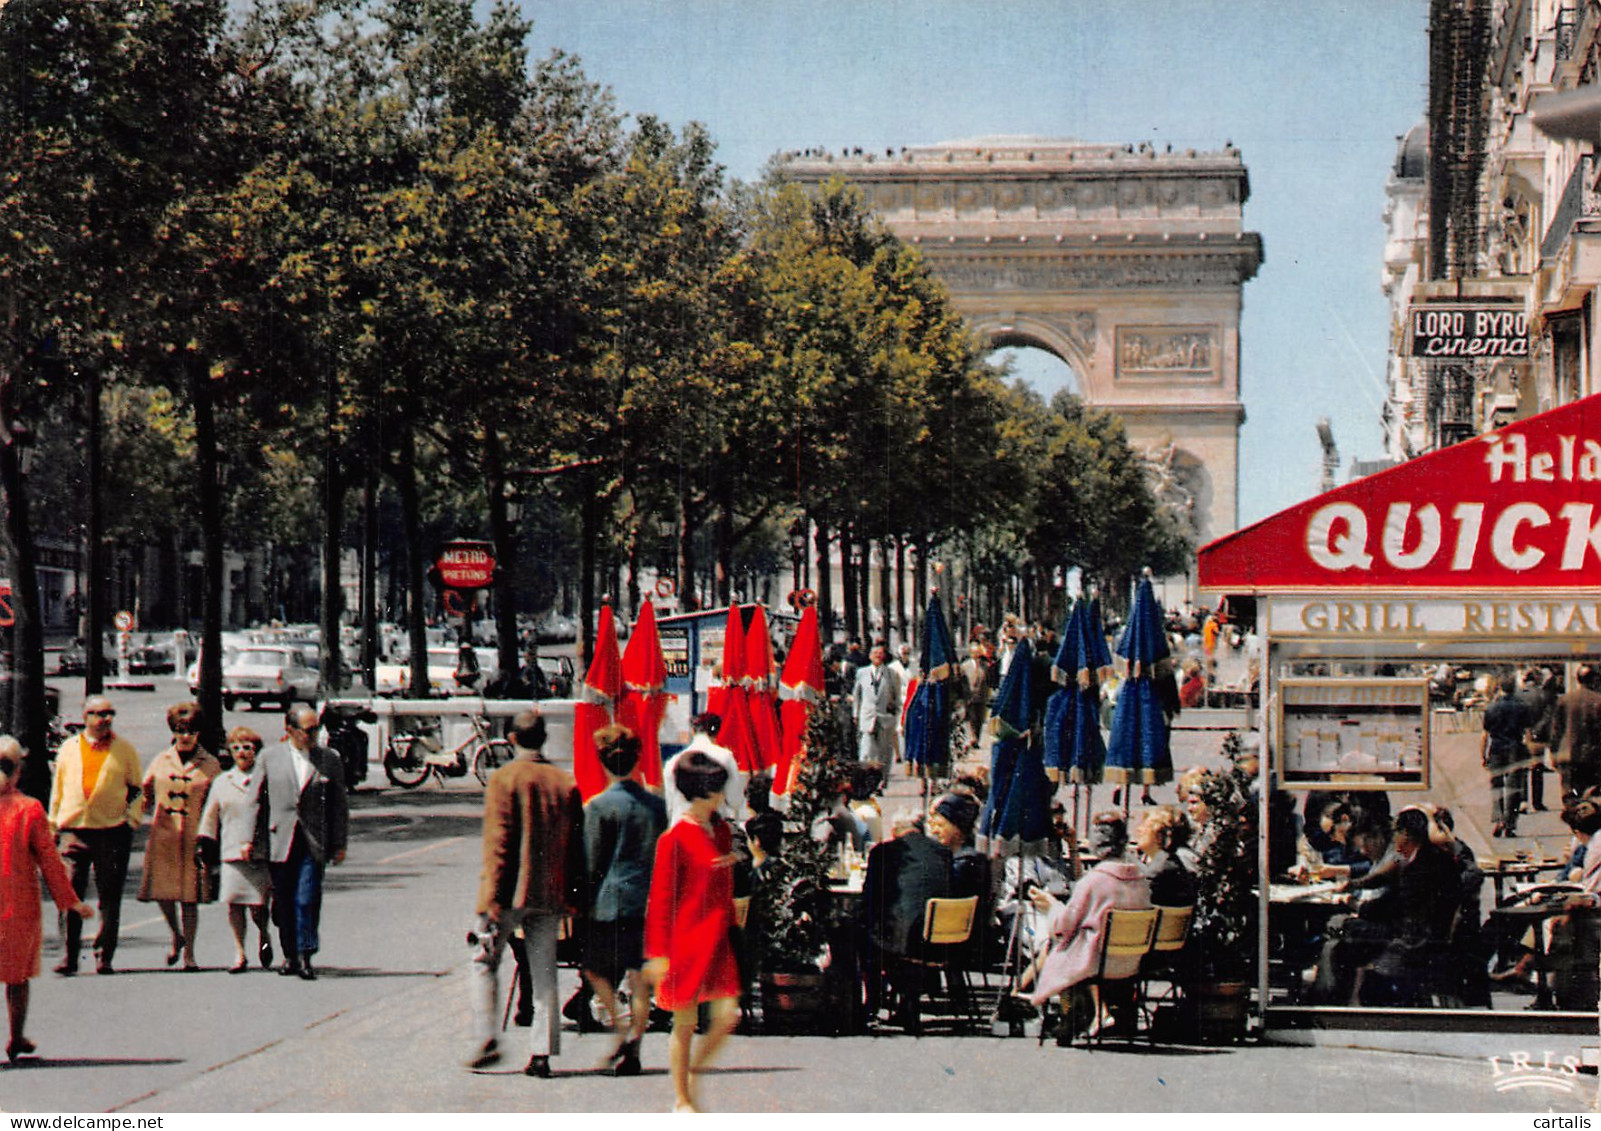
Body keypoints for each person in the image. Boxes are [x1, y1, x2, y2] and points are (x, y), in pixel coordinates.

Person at [466, 709, 584, 1077]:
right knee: (544, 971)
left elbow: (499, 845)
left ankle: (486, 1037)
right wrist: (574, 896)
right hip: (550, 894)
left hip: (509, 894)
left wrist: (492, 899)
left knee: (484, 962)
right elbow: (577, 846)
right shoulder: (565, 782)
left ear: (512, 739)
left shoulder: (504, 779)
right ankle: (541, 1054)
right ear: (543, 739)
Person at [644, 751, 743, 1113]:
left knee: (727, 1016)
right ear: (702, 792)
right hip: (684, 943)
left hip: (717, 939)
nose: (721, 796)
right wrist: (658, 953)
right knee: (683, 1025)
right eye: (716, 790)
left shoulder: (719, 830)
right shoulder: (675, 838)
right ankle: (682, 1098)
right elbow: (660, 900)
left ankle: (692, 1076)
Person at [0, 736, 96, 1063]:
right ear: (18, 771)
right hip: (17, 907)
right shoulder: (29, 808)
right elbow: (51, 862)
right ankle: (16, 1037)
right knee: (17, 976)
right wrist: (70, 902)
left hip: (15, 905)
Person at [582, 725, 666, 1078]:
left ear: (602, 761)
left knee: (596, 972)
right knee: (639, 980)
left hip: (609, 902)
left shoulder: (599, 807)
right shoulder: (656, 806)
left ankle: (621, 1031)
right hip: (648, 903)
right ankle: (634, 1046)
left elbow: (592, 860)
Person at [1025, 811, 1152, 1035]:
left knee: (1062, 947)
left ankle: (1069, 1016)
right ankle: (1094, 1013)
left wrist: (1051, 907)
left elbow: (1064, 925)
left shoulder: (1093, 882)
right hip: (1133, 960)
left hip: (1098, 962)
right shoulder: (1141, 879)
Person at [49, 696, 142, 975]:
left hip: (111, 832)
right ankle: (69, 955)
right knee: (70, 895)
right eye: (98, 714)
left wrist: (132, 819)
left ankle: (104, 955)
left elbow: (137, 790)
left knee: (109, 897)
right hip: (74, 831)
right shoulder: (68, 749)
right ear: (85, 716)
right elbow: (59, 790)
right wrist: (53, 825)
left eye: (109, 713)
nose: (105, 719)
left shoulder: (123, 750)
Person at [257, 704, 349, 981]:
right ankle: (290, 955)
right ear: (290, 730)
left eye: (316, 729)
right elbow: (256, 803)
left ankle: (306, 955)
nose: (313, 735)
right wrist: (252, 842)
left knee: (307, 899)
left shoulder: (328, 759)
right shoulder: (270, 757)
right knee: (284, 900)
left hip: (312, 841)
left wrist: (339, 843)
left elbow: (339, 805)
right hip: (280, 838)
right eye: (307, 730)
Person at [137, 701, 222, 971]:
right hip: (164, 836)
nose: (186, 736)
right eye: (180, 730)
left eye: (192, 731)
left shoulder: (210, 764)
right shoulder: (160, 761)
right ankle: (176, 934)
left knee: (189, 897)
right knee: (162, 893)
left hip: (194, 839)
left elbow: (218, 802)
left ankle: (190, 954)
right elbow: (144, 796)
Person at [198, 727, 274, 974]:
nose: (242, 752)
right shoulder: (222, 782)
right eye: (237, 747)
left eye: (248, 748)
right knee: (233, 903)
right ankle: (239, 952)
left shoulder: (265, 780)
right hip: (230, 849)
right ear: (230, 751)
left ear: (256, 751)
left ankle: (263, 934)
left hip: (259, 852)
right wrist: (204, 842)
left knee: (258, 904)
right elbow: (210, 815)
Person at [663, 713, 746, 826]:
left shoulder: (673, 762)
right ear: (717, 732)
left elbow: (670, 808)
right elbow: (735, 801)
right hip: (711, 828)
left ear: (693, 731)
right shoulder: (725, 757)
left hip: (679, 827)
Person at [1481, 674, 1531, 837]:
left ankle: (1498, 819)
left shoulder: (1491, 708)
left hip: (1496, 748)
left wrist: (1483, 754)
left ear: (1500, 688)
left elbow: (1485, 734)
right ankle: (1510, 824)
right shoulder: (1522, 707)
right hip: (1515, 748)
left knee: (1497, 786)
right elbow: (1528, 732)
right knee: (1513, 787)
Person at [1552, 664, 1601, 798]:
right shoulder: (1597, 701)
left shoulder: (1564, 700)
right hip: (1590, 755)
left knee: (1569, 794)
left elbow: (1556, 730)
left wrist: (1554, 754)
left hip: (1567, 753)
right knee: (1589, 795)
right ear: (1594, 680)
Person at [1135, 805, 1196, 907]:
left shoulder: (1160, 869)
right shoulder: (1172, 863)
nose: (1138, 829)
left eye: (1145, 826)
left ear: (1160, 836)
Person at [852, 644, 902, 766]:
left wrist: (894, 715)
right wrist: (856, 714)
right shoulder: (861, 673)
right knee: (866, 752)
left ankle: (882, 781)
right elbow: (857, 695)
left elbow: (897, 696)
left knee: (884, 754)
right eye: (875, 653)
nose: (878, 656)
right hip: (867, 717)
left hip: (885, 719)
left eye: (880, 653)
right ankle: (866, 781)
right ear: (870, 656)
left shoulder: (891, 674)